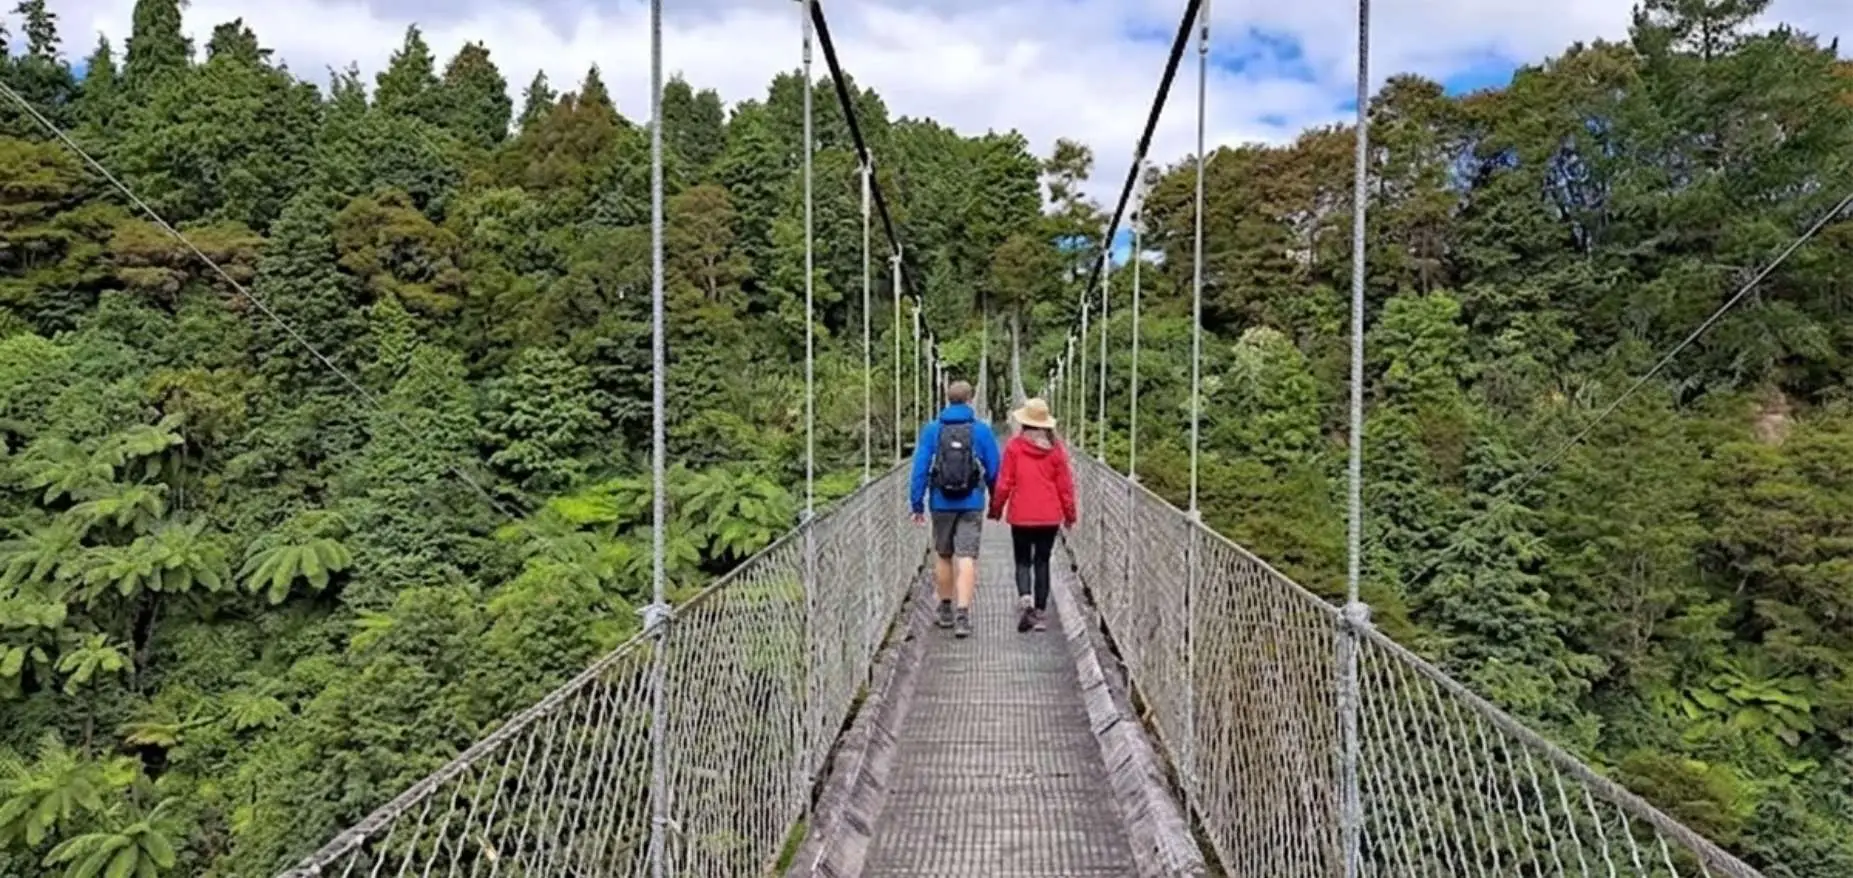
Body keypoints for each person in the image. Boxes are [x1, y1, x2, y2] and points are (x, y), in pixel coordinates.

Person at [909, 379, 1001, 638]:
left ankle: (945, 609)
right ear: (971, 400)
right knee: (967, 557)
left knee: (943, 555)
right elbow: (995, 469)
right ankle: (963, 615)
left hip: (941, 502)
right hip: (972, 501)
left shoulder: (932, 430)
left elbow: (919, 469)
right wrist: (996, 501)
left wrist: (917, 503)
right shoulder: (981, 430)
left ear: (947, 400)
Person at [986, 398, 1076, 632]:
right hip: (1049, 516)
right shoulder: (1056, 449)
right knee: (1042, 562)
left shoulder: (1015, 447)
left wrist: (996, 508)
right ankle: (1040, 614)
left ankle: (1026, 601)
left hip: (1021, 514)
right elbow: (1065, 487)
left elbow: (1004, 483)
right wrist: (1070, 515)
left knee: (1023, 560)